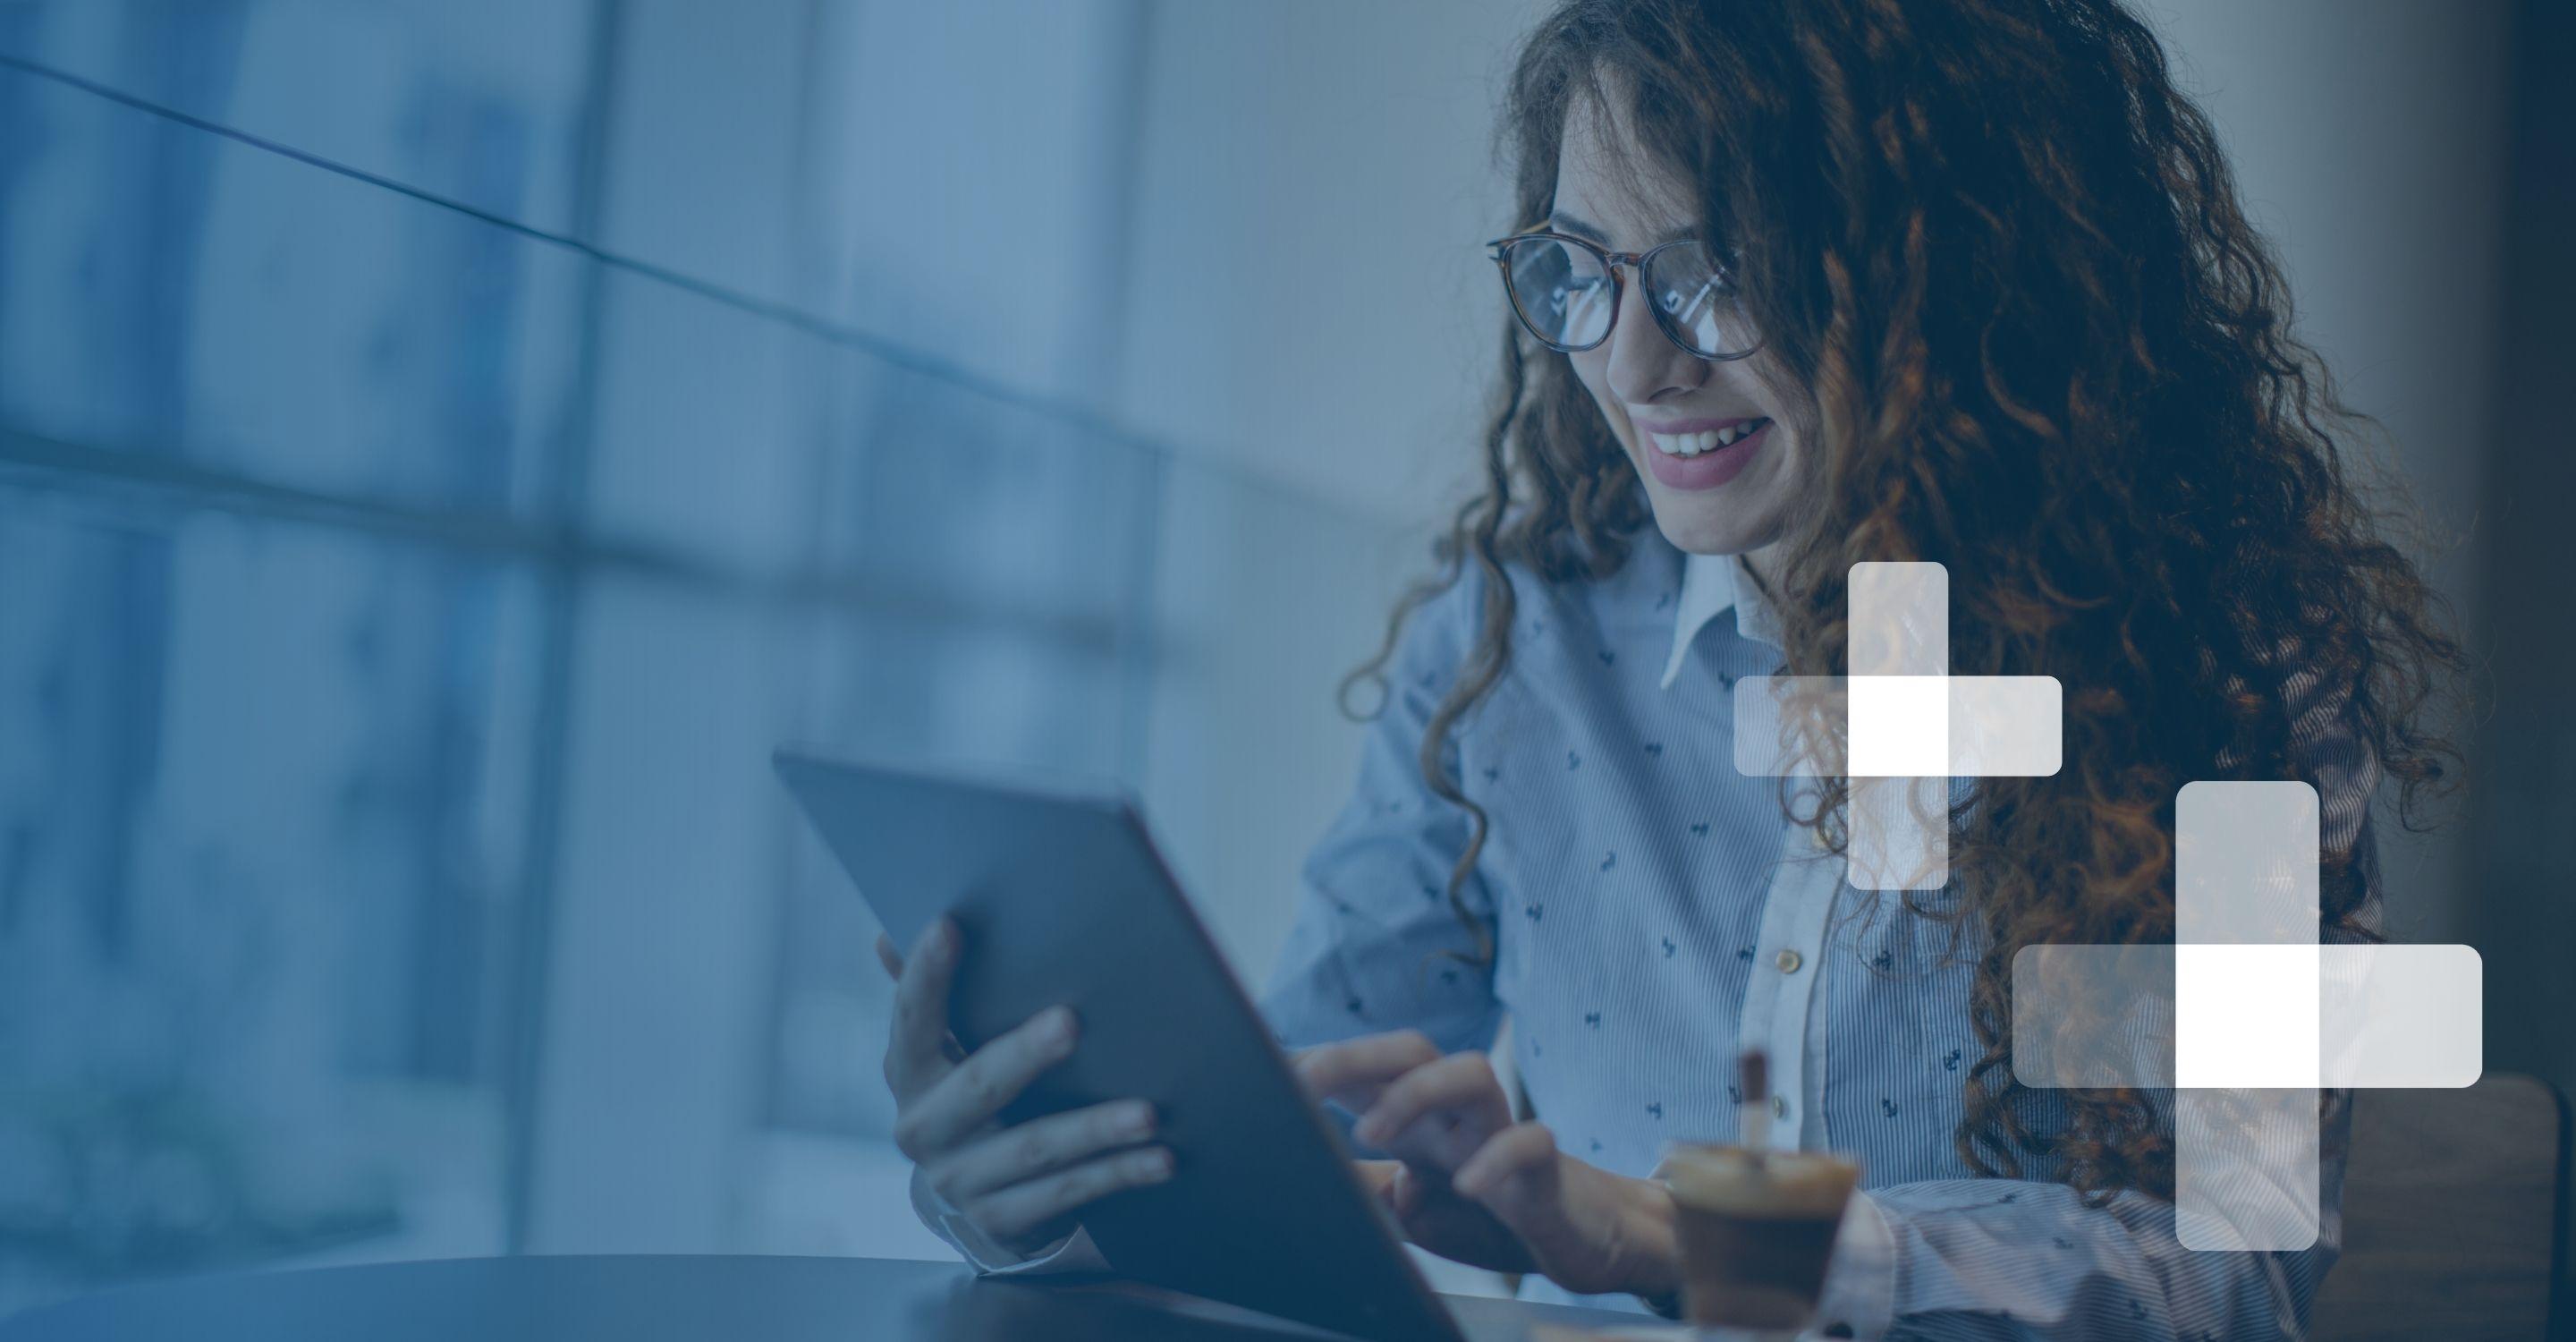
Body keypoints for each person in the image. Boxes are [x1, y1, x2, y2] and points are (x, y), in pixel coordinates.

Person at [875, 0, 2462, 1336]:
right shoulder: (1521, 646)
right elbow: (1311, 1109)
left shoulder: (2223, 679)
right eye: (1584, 269)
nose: (1634, 364)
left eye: (1722, 273)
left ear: (1963, 279)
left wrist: (1695, 1234)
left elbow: (2238, 1252)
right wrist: (1050, 1181)